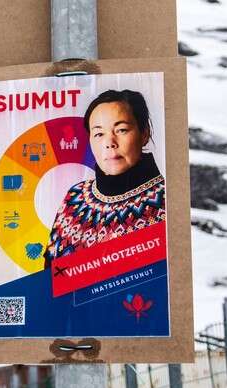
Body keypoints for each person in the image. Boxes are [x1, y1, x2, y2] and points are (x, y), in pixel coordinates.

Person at [45, 89, 165, 263]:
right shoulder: (75, 197)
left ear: (144, 134)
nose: (110, 143)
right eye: (99, 134)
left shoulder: (167, 200)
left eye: (121, 130)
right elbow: (50, 275)